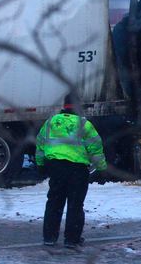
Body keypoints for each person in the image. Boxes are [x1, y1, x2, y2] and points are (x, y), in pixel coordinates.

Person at [36, 95, 107, 249]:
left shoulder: (51, 122)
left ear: (64, 105)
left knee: (54, 202)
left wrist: (41, 164)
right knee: (75, 204)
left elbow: (40, 144)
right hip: (77, 170)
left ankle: (49, 237)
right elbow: (95, 148)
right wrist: (101, 169)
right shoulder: (84, 124)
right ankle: (72, 239)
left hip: (56, 167)